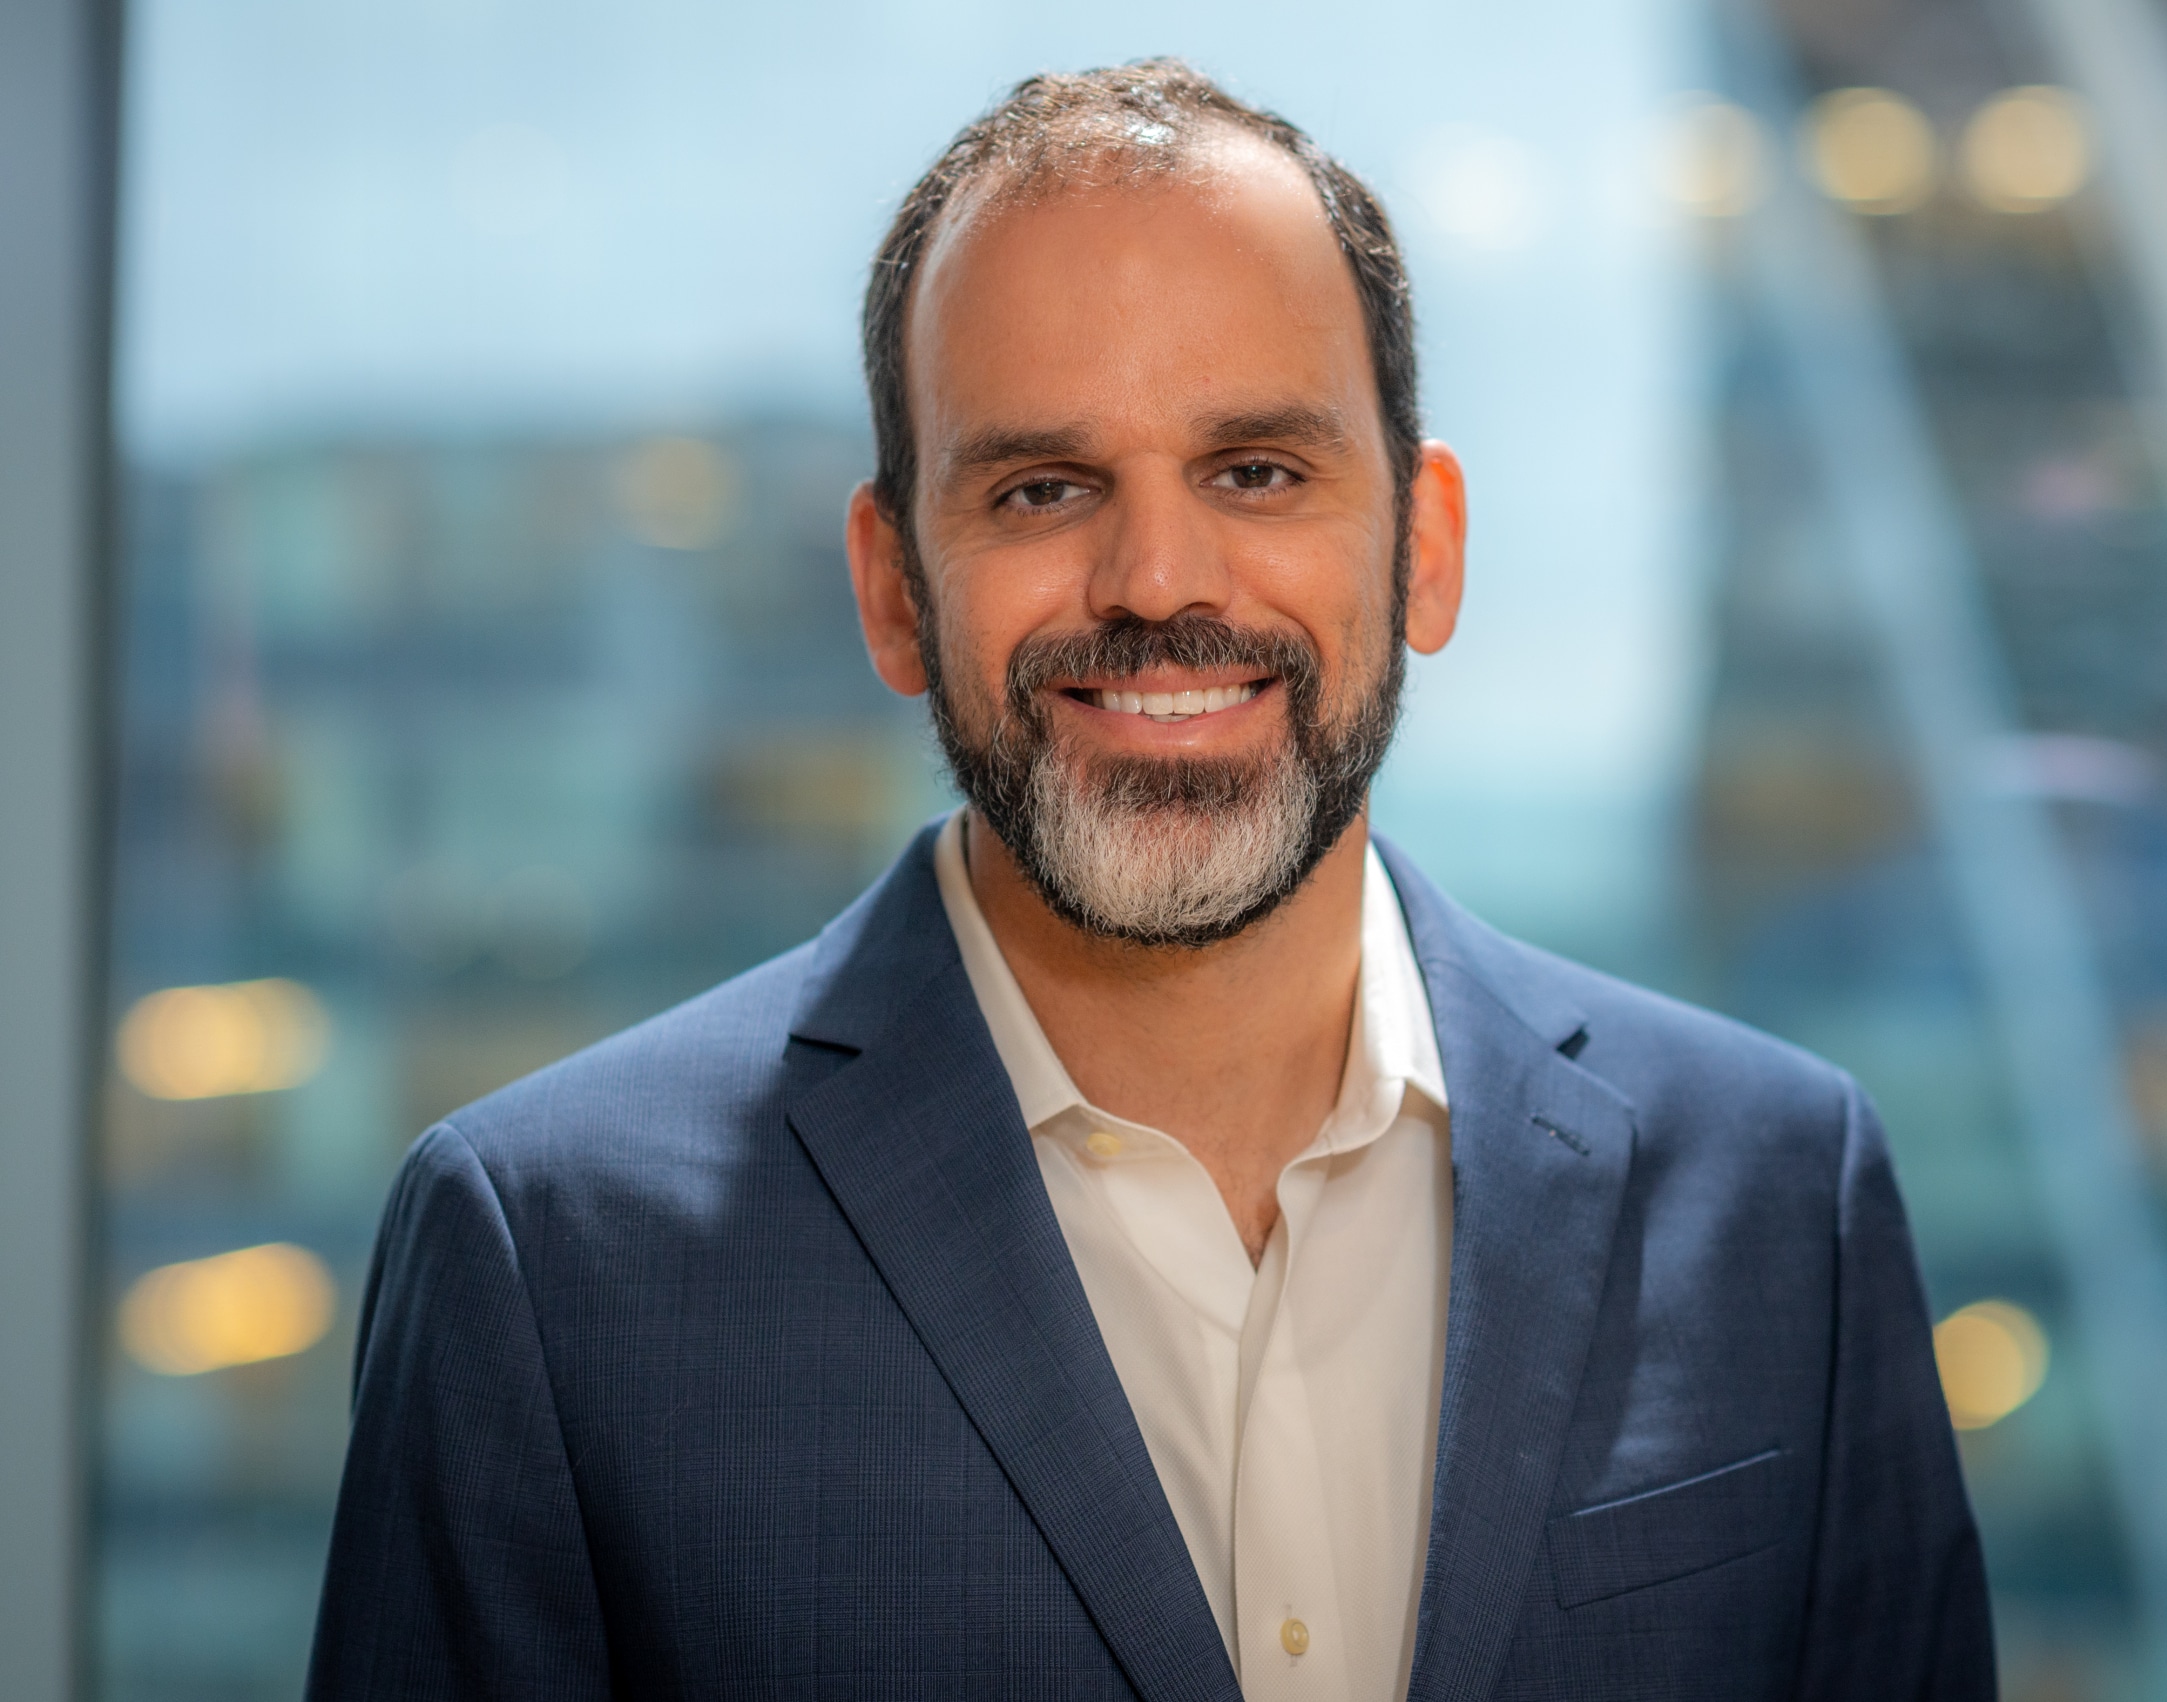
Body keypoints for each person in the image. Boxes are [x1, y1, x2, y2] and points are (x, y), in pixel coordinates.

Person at [307, 60, 1994, 1702]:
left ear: (1426, 544)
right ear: (893, 592)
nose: (1158, 579)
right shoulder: (550, 1263)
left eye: (1258, 470)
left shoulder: (1785, 1199)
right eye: (1043, 488)